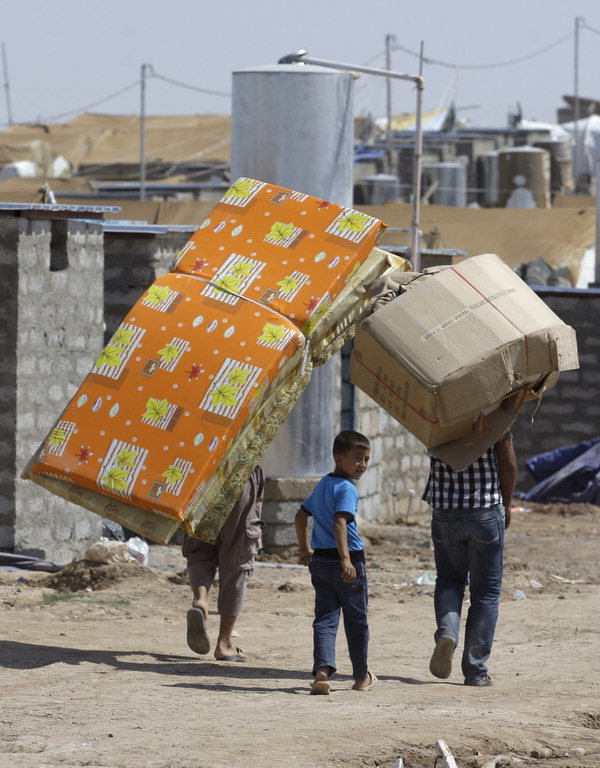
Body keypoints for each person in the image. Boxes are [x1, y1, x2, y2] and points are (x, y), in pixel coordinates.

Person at [423, 431, 517, 686]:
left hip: (444, 512)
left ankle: (447, 632)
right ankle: (475, 670)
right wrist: (506, 504)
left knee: (449, 580)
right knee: (485, 592)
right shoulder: (495, 415)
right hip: (484, 511)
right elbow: (508, 463)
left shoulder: (434, 416)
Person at [295, 430, 376, 695]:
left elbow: (300, 515)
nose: (362, 465)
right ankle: (361, 677)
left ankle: (321, 672)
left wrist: (304, 548)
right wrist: (346, 560)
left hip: (320, 562)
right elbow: (340, 522)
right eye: (357, 459)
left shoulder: (322, 485)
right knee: (356, 620)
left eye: (365, 459)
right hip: (346, 563)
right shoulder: (346, 489)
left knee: (326, 619)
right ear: (338, 458)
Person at [183, 465, 264, 661]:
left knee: (200, 549)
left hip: (200, 469)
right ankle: (225, 642)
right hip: (239, 468)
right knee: (237, 560)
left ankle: (200, 599)